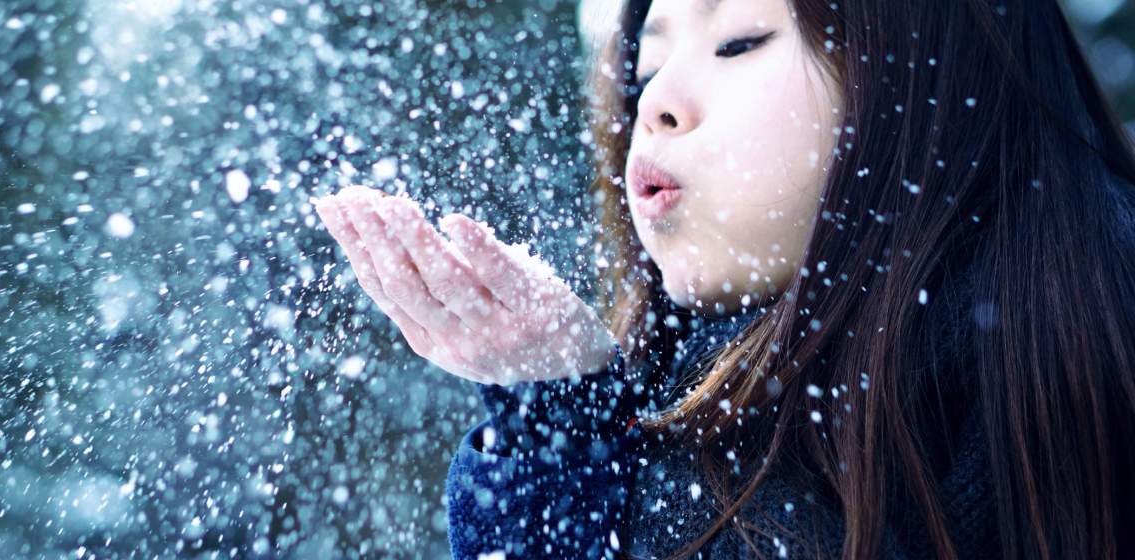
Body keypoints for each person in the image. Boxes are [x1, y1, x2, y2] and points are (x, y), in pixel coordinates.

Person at [310, 0, 1135, 558]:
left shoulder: (1064, 356)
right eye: (643, 72)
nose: (658, 101)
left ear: (927, 78)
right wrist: (557, 400)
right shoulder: (680, 385)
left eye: (738, 41)